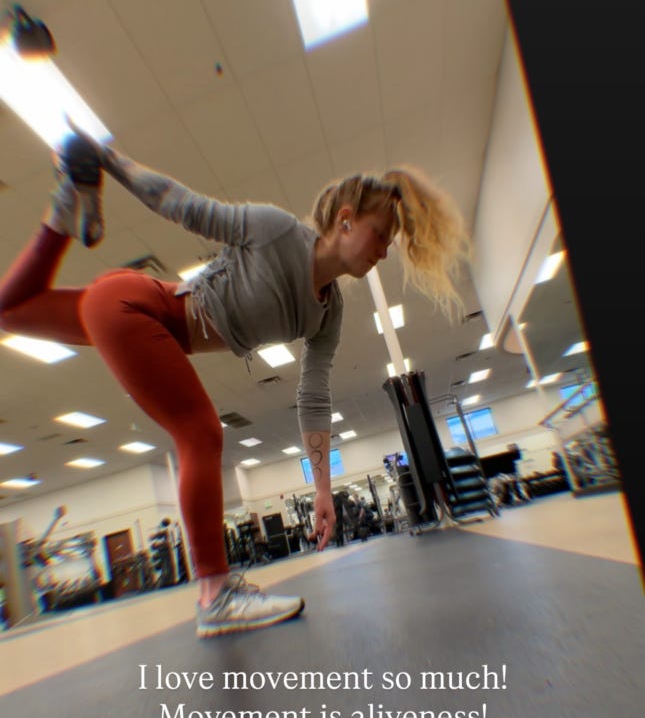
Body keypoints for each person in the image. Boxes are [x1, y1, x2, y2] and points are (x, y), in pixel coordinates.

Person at [0, 131, 470, 637]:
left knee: (11, 310)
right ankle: (215, 594)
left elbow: (313, 396)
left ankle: (65, 206)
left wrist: (322, 489)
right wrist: (109, 161)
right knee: (200, 432)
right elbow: (182, 205)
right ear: (346, 219)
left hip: (132, 308)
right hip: (136, 305)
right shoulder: (276, 230)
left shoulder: (328, 310)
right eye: (381, 235)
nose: (384, 251)